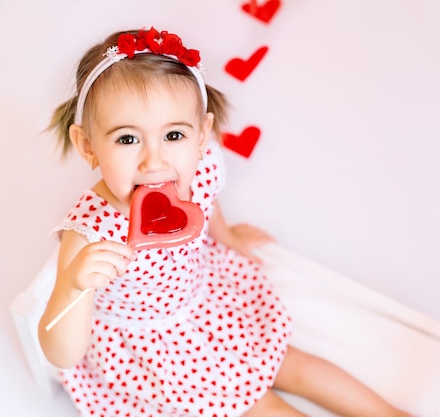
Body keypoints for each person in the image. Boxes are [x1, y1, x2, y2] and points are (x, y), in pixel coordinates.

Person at [38, 27, 415, 417]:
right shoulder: (90, 234)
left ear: (202, 136)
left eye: (173, 135)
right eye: (127, 140)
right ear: (88, 146)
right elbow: (61, 352)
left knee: (293, 364)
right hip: (153, 348)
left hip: (209, 300)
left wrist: (227, 235)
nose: (154, 161)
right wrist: (72, 288)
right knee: (258, 405)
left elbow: (207, 204)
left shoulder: (197, 170)